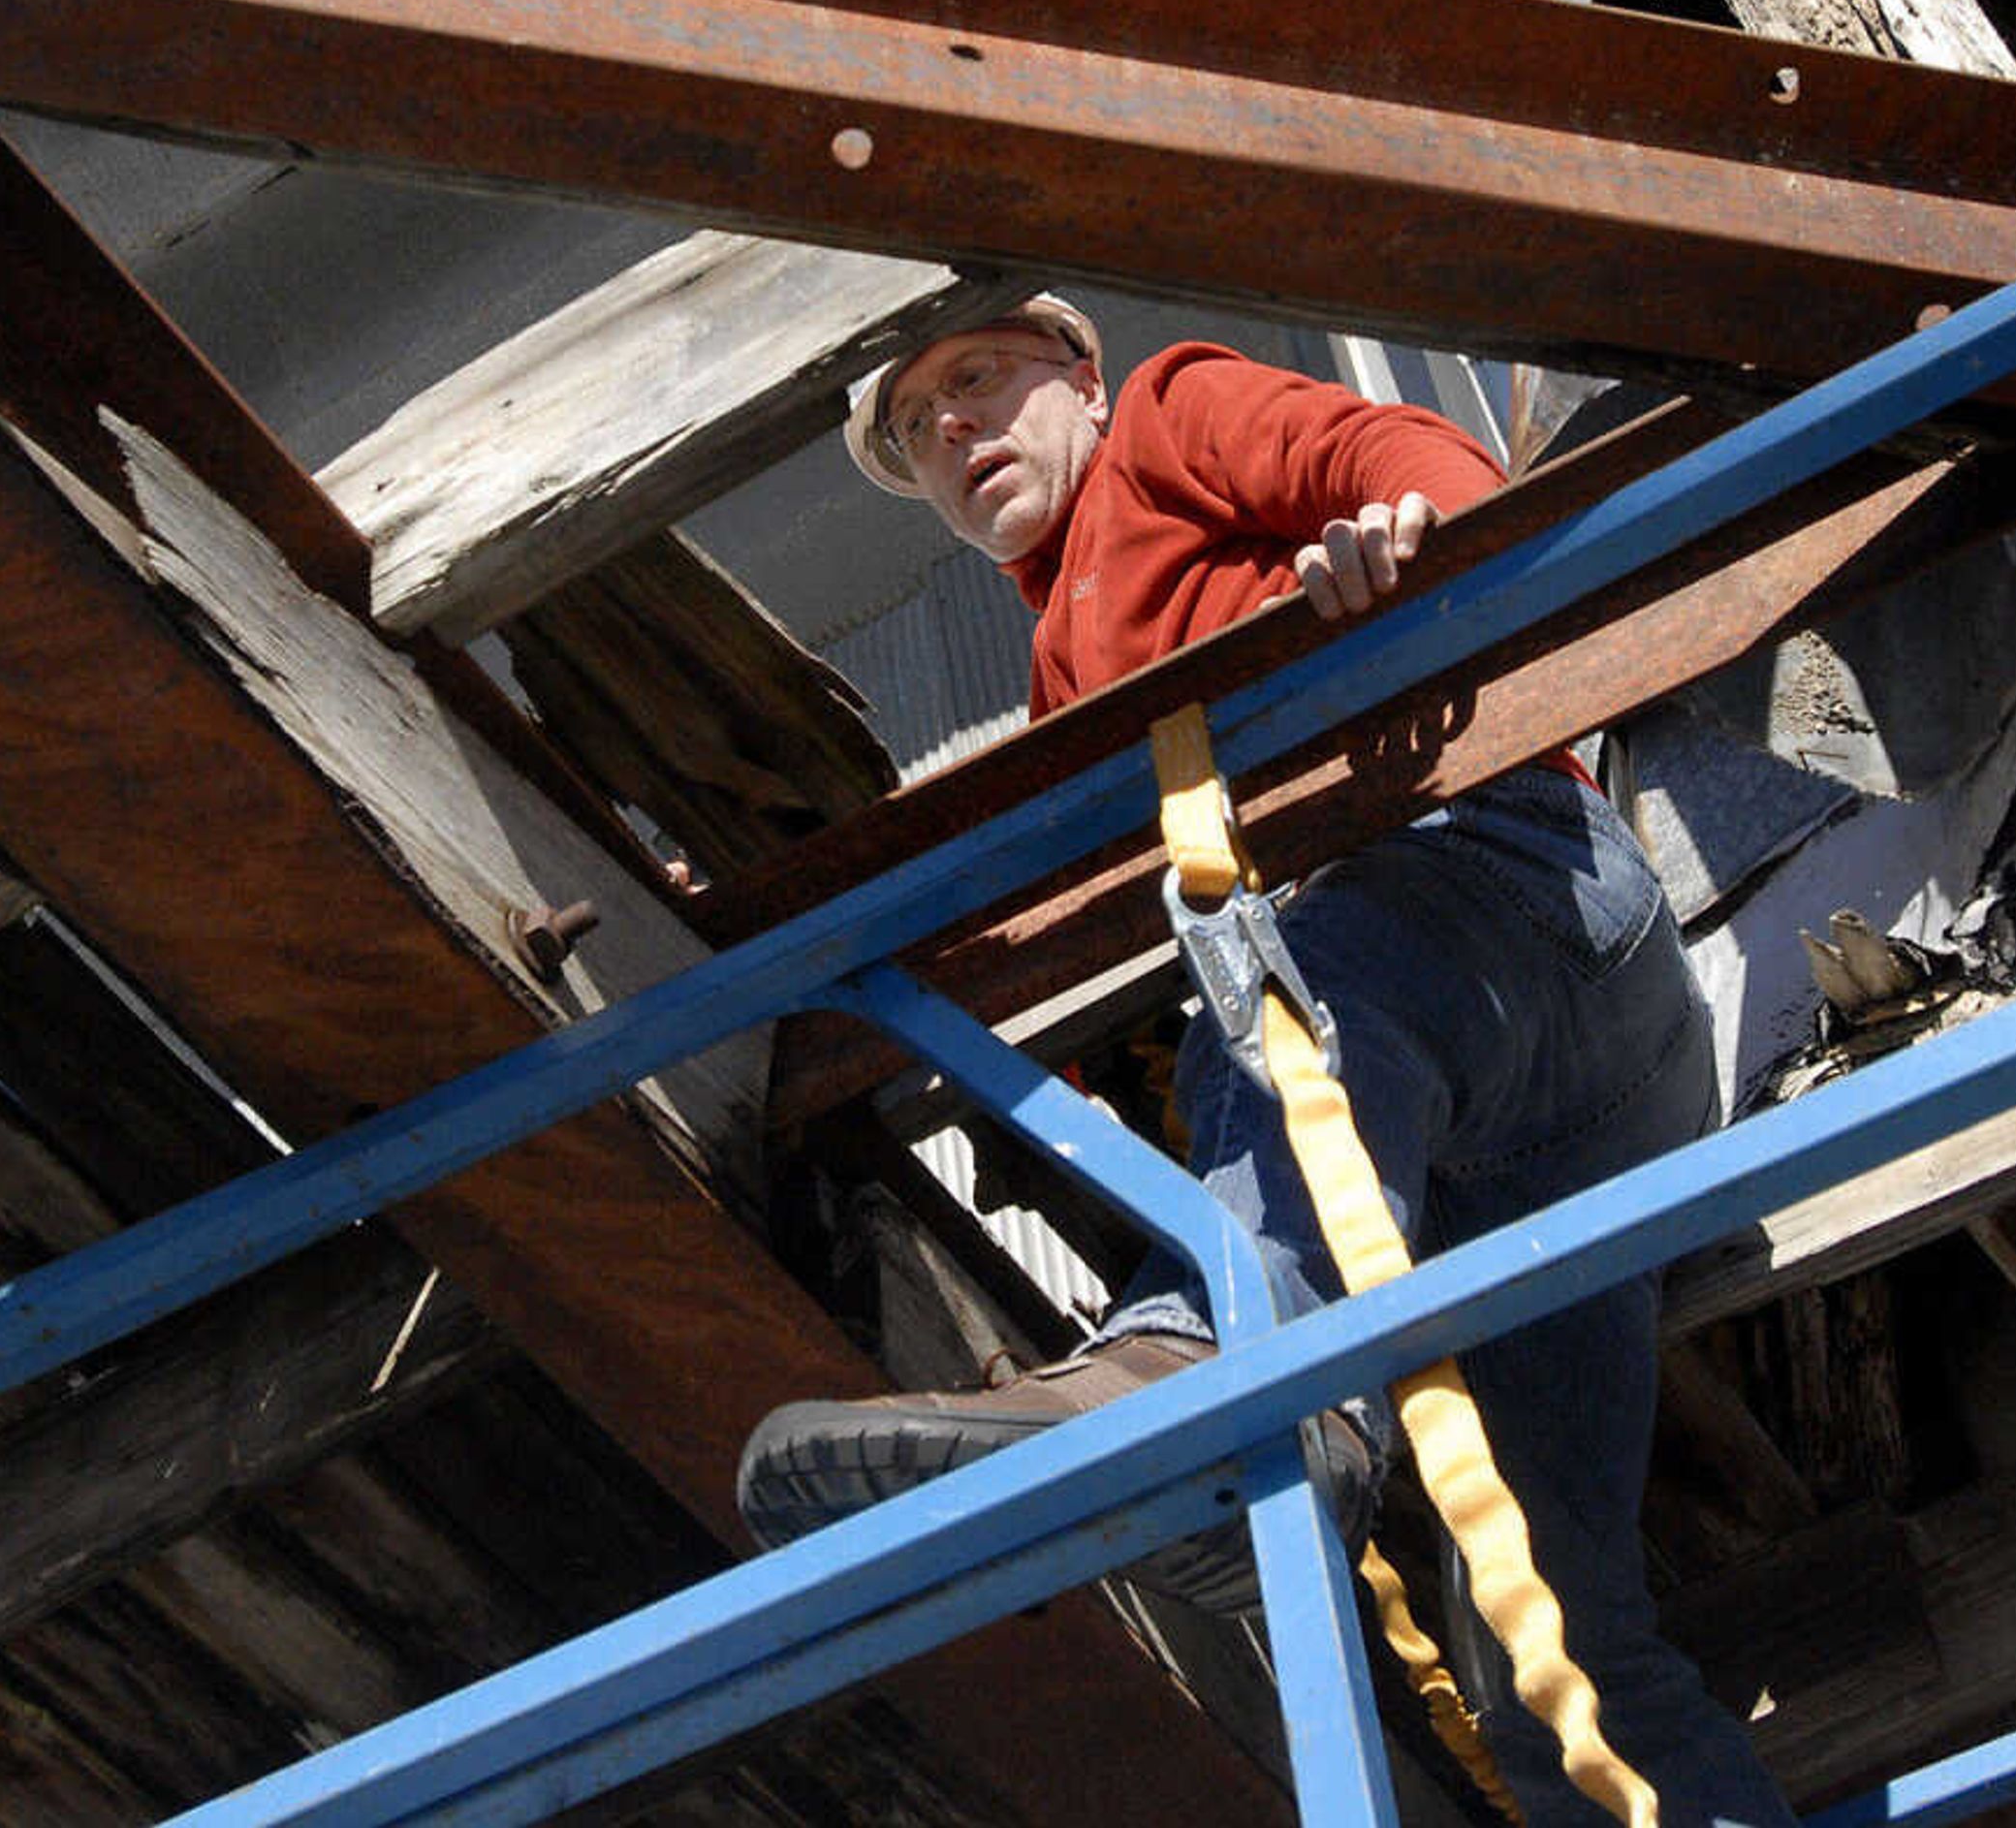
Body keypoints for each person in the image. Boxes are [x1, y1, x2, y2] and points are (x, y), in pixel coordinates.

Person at [738, 300, 1795, 1828]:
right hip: (1473, 1172)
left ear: (1078, 370)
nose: (955, 432)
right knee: (1548, 1651)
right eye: (917, 429)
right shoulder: (1059, 686)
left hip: (1529, 917)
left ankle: (1214, 1366)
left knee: (1301, 976)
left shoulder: (1167, 419)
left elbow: (1398, 456)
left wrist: (1404, 532)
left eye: (975, 379)